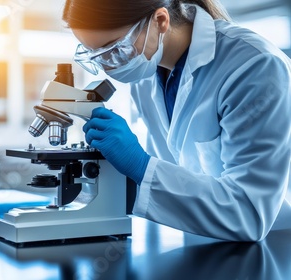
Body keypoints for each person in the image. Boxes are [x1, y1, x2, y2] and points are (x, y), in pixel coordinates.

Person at [62, 0, 291, 241]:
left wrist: (140, 166)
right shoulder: (146, 74)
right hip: (200, 242)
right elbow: (175, 173)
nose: (108, 68)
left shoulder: (254, 66)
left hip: (270, 250)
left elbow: (248, 212)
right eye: (96, 56)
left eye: (116, 50)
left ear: (160, 21)